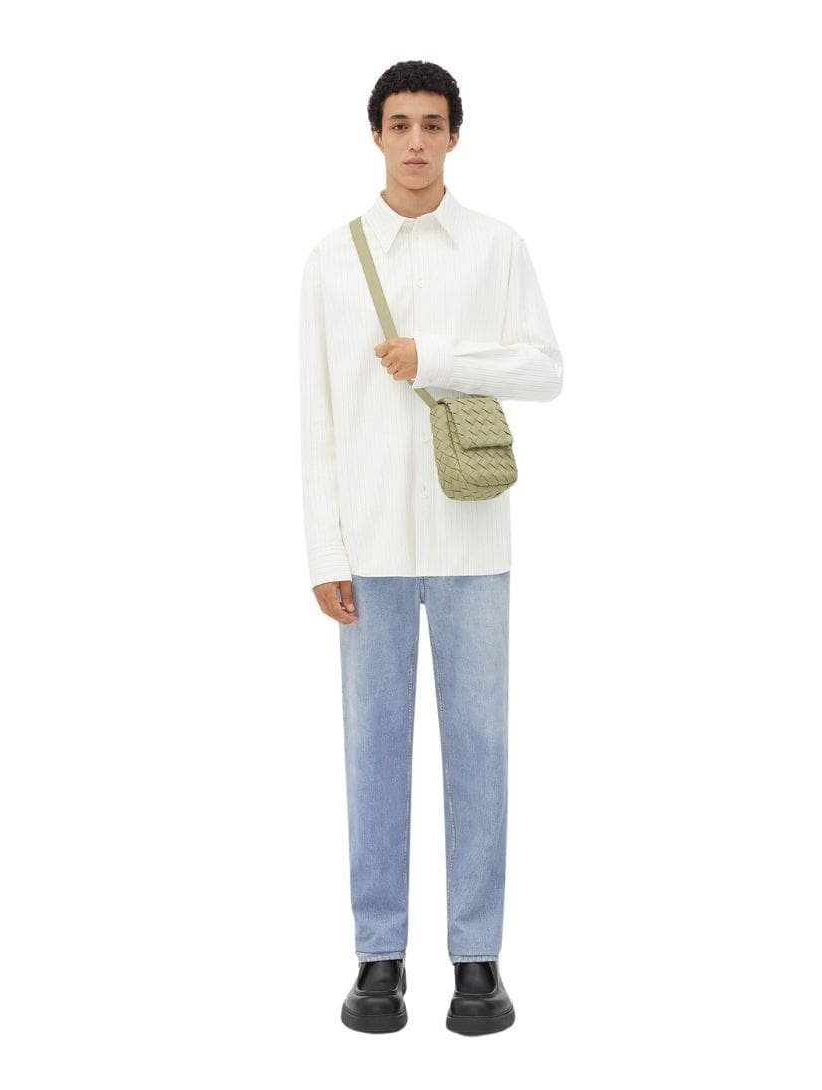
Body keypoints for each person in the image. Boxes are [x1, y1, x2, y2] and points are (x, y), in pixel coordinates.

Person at [298, 59, 563, 1035]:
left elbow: (544, 369)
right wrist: (323, 549)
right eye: (400, 123)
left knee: (480, 749)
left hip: (471, 536)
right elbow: (316, 414)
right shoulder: (332, 260)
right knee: (372, 750)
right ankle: (378, 958)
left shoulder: (497, 247)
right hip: (366, 541)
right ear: (375, 135)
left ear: (455, 135)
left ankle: (477, 961)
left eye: (432, 123)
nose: (416, 140)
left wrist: (435, 358)